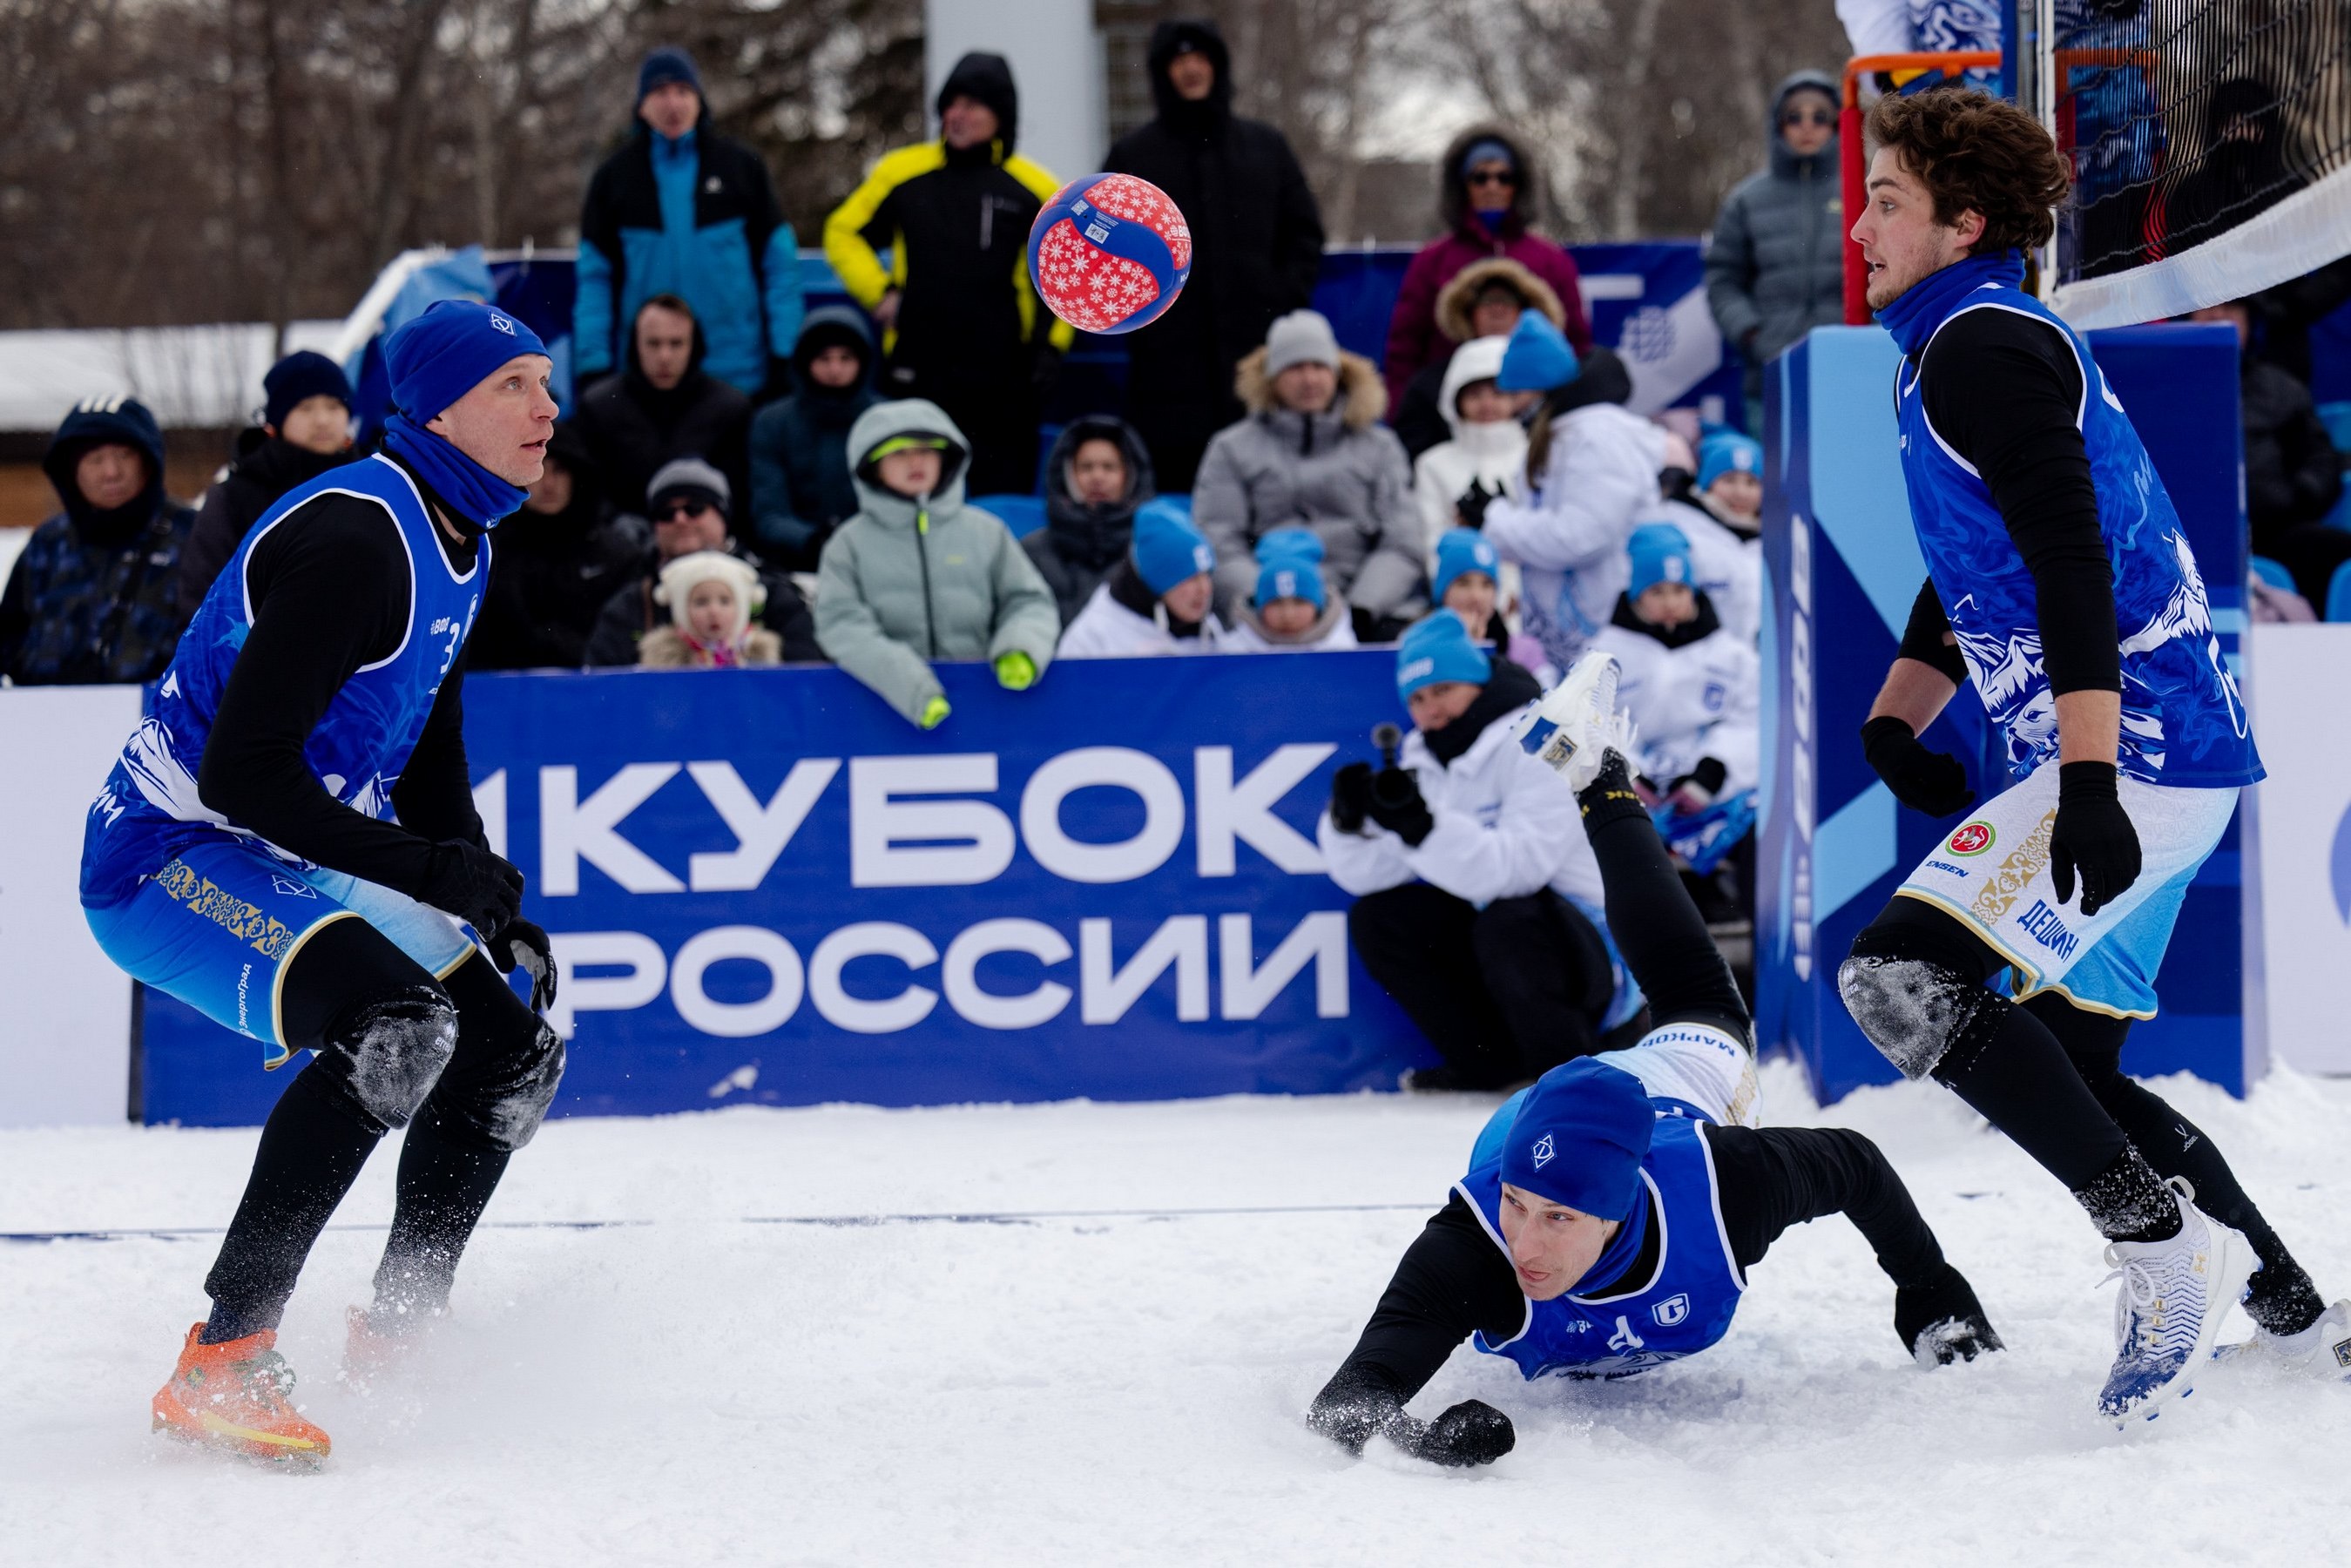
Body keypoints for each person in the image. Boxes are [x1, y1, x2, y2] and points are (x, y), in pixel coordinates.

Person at [1841, 89, 2346, 1426]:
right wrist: (1894, 716)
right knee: (2076, 1065)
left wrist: (2079, 783)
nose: (1858, 226)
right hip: (2160, 751)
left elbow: (2070, 562)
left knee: (1900, 977)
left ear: (1962, 224)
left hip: (2139, 755)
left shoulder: (1978, 346)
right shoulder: (1950, 344)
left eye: (1885, 202)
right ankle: (2290, 1310)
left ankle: (2162, 1252)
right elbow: (1978, 559)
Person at [77, 301, 569, 1466]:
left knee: (511, 1054)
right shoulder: (357, 537)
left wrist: (480, 892)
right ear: (436, 410)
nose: (548, 408)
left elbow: (429, 736)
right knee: (396, 1026)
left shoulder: (466, 532)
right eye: (513, 385)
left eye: (546, 382)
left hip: (285, 846)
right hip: (166, 857)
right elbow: (244, 775)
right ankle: (223, 1357)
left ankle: (400, 1329)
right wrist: (430, 868)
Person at [1308, 650, 2001, 1467]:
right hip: (1530, 1117)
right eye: (1520, 1207)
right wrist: (1429, 1443)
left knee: (1694, 993)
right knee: (1675, 995)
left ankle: (1601, 780)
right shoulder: (1478, 1239)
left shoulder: (1726, 1184)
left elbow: (1856, 1165)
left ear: (1613, 1213)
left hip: (1678, 1083)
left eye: (1557, 1219)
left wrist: (1929, 1289)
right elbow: (1345, 1409)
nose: (1523, 1243)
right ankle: (1600, 779)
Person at [1318, 612, 1638, 1092]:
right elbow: (1367, 876)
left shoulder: (1543, 740)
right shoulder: (1424, 759)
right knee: (1381, 919)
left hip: (1594, 949)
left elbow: (1519, 869)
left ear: (1477, 683)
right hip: (1505, 938)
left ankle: (1568, 1075)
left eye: (1443, 690)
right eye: (1417, 699)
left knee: (1510, 921)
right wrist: (1350, 825)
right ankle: (1489, 1064)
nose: (1431, 710)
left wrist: (1422, 829)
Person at [823, 52, 1071, 497]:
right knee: (915, 496)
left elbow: (1065, 273)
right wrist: (880, 293)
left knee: (1000, 501)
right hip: (919, 369)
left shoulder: (1037, 189)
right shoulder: (901, 172)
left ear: (1000, 114)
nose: (957, 115)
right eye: (950, 104)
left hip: (1003, 380)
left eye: (972, 105)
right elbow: (842, 232)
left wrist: (1051, 348)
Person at [1102, 17, 1326, 490]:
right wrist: (1146, 318)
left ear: (1218, 67)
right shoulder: (1133, 156)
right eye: (1179, 60)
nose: (1191, 70)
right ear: (1163, 73)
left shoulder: (1266, 147)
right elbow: (1105, 249)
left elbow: (1304, 236)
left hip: (1256, 364)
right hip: (1166, 376)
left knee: (1265, 491)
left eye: (1201, 58)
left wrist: (1277, 301)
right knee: (1175, 499)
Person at [814, 399, 1060, 728]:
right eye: (899, 453)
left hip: (990, 709)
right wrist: (911, 688)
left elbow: (1029, 602)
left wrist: (1021, 647)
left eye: (926, 451)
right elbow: (841, 625)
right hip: (881, 716)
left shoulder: (987, 532)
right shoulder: (847, 544)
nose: (915, 461)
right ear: (872, 466)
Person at [573, 46, 802, 397]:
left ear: (699, 100)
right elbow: (595, 279)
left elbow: (780, 266)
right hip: (646, 378)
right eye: (660, 92)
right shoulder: (614, 177)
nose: (673, 103)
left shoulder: (741, 166)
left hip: (738, 373)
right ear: (642, 105)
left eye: (683, 91)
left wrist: (785, 352)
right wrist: (593, 364)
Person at [1193, 309, 1425, 638]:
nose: (1310, 379)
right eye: (1295, 367)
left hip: (1366, 614)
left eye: (1319, 366)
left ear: (1337, 373)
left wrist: (1360, 609)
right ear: (1271, 378)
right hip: (1261, 618)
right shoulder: (1231, 448)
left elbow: (1402, 542)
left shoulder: (1380, 447)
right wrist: (1269, 602)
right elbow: (1219, 539)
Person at [1480, 313, 1662, 672]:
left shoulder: (1596, 438)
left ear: (1542, 388)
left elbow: (1581, 536)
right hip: (1574, 643)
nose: (1511, 407)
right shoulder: (1563, 436)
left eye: (1515, 393)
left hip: (1612, 636)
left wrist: (1497, 522)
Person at [1382, 127, 1591, 421]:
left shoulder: (1551, 260)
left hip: (1536, 419)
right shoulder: (1433, 260)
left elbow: (1576, 343)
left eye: (1504, 177)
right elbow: (1405, 348)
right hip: (1452, 421)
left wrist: (1563, 410)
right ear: (1462, 185)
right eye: (1480, 177)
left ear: (1519, 184)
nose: (1492, 186)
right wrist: (1404, 418)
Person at [1, 395, 196, 686]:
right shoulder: (49, 542)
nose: (111, 473)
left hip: (158, 709)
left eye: (124, 456)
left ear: (148, 461)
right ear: (70, 470)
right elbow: (9, 636)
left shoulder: (192, 534)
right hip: (46, 708)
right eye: (95, 459)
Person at [1706, 71, 1848, 434]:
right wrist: (1753, 334)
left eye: (1820, 116)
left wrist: (1872, 333)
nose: (1807, 126)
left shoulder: (1866, 191)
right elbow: (1722, 281)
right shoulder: (1746, 200)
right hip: (1772, 375)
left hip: (1852, 369)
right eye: (1794, 116)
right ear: (1779, 124)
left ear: (1837, 123)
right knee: (1775, 471)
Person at [2186, 299, 2347, 609]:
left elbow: (2321, 460)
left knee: (2330, 551)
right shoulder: (2164, 390)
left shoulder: (2281, 388)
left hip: (2273, 529)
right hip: (2190, 535)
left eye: (2232, 308)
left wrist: (2299, 494)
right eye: (2207, 306)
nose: (2217, 315)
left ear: (2250, 322)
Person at [1591, 524, 1760, 814]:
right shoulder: (1605, 654)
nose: (1670, 603)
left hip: (1713, 795)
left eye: (1680, 590)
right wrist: (1626, 773)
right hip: (1631, 795)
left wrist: (1712, 773)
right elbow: (1592, 721)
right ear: (1637, 595)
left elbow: (1750, 718)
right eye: (1657, 592)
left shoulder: (1730, 655)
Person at [585, 456, 817, 666]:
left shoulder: (772, 595)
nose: (680, 519)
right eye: (666, 513)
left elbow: (806, 677)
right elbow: (602, 684)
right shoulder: (631, 604)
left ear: (723, 515)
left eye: (694, 508)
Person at [177, 351, 355, 614]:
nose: (322, 420)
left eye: (334, 406)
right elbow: (202, 597)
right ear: (277, 419)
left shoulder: (375, 484)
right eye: (305, 408)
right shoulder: (235, 497)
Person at [468, 421, 645, 671]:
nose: (548, 483)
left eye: (559, 470)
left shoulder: (617, 555)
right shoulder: (485, 552)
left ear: (577, 476)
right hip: (501, 686)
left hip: (599, 685)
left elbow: (627, 640)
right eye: (538, 468)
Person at [571, 294, 753, 524]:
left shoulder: (730, 409)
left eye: (676, 343)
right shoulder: (599, 407)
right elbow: (586, 491)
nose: (664, 356)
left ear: (694, 345)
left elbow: (740, 497)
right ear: (636, 345)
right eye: (653, 343)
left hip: (704, 536)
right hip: (618, 538)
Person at [747, 307, 882, 571]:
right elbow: (768, 512)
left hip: (875, 559)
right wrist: (813, 541)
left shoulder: (887, 421)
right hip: (795, 563)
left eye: (846, 358)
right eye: (824, 358)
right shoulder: (771, 423)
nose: (835, 369)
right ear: (805, 361)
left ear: (863, 362)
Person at [1395, 259, 1561, 463]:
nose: (1498, 310)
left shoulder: (1553, 383)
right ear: (1467, 313)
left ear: (1527, 313)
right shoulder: (1430, 384)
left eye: (1508, 301)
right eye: (1487, 301)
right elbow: (1414, 451)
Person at [1023, 415, 1158, 628]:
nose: (1097, 477)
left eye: (1109, 467)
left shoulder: (1152, 550)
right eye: (1086, 467)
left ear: (1130, 476)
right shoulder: (1032, 551)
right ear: (1068, 475)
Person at [1057, 500, 1223, 657]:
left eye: (1207, 575)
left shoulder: (1210, 628)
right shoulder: (1092, 638)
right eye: (1191, 578)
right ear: (1158, 581)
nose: (1204, 589)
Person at [1412, 335, 1528, 548]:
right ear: (1455, 402)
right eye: (1474, 395)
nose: (1487, 405)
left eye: (1497, 393)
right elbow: (1431, 538)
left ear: (1516, 398)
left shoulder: (1538, 457)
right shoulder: (1432, 465)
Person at [1653, 429, 1764, 645]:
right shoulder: (1677, 531)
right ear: (1706, 483)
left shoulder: (1776, 540)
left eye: (1751, 482)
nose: (1741, 492)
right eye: (1729, 480)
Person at [1215, 528, 1358, 652]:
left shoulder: (1345, 651)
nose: (1288, 615)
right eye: (1276, 603)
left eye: (1299, 602)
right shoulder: (1229, 652)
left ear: (1318, 605)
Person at [638, 550, 784, 668]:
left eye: (725, 601)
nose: (714, 612)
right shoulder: (663, 660)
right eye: (701, 602)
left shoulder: (760, 656)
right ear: (682, 610)